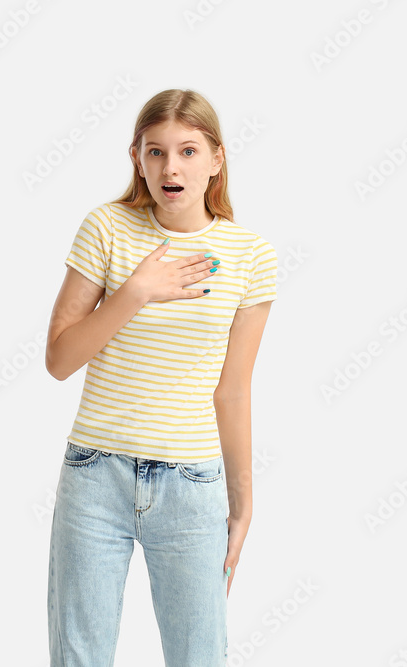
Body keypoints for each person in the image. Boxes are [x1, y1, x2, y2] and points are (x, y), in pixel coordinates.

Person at [45, 88, 278, 666]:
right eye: (155, 152)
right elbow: (59, 359)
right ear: (137, 157)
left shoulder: (250, 256)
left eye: (188, 151)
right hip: (95, 477)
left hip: (192, 487)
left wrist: (242, 504)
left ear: (216, 159)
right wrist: (137, 292)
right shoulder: (108, 228)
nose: (170, 167)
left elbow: (234, 390)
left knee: (199, 657)